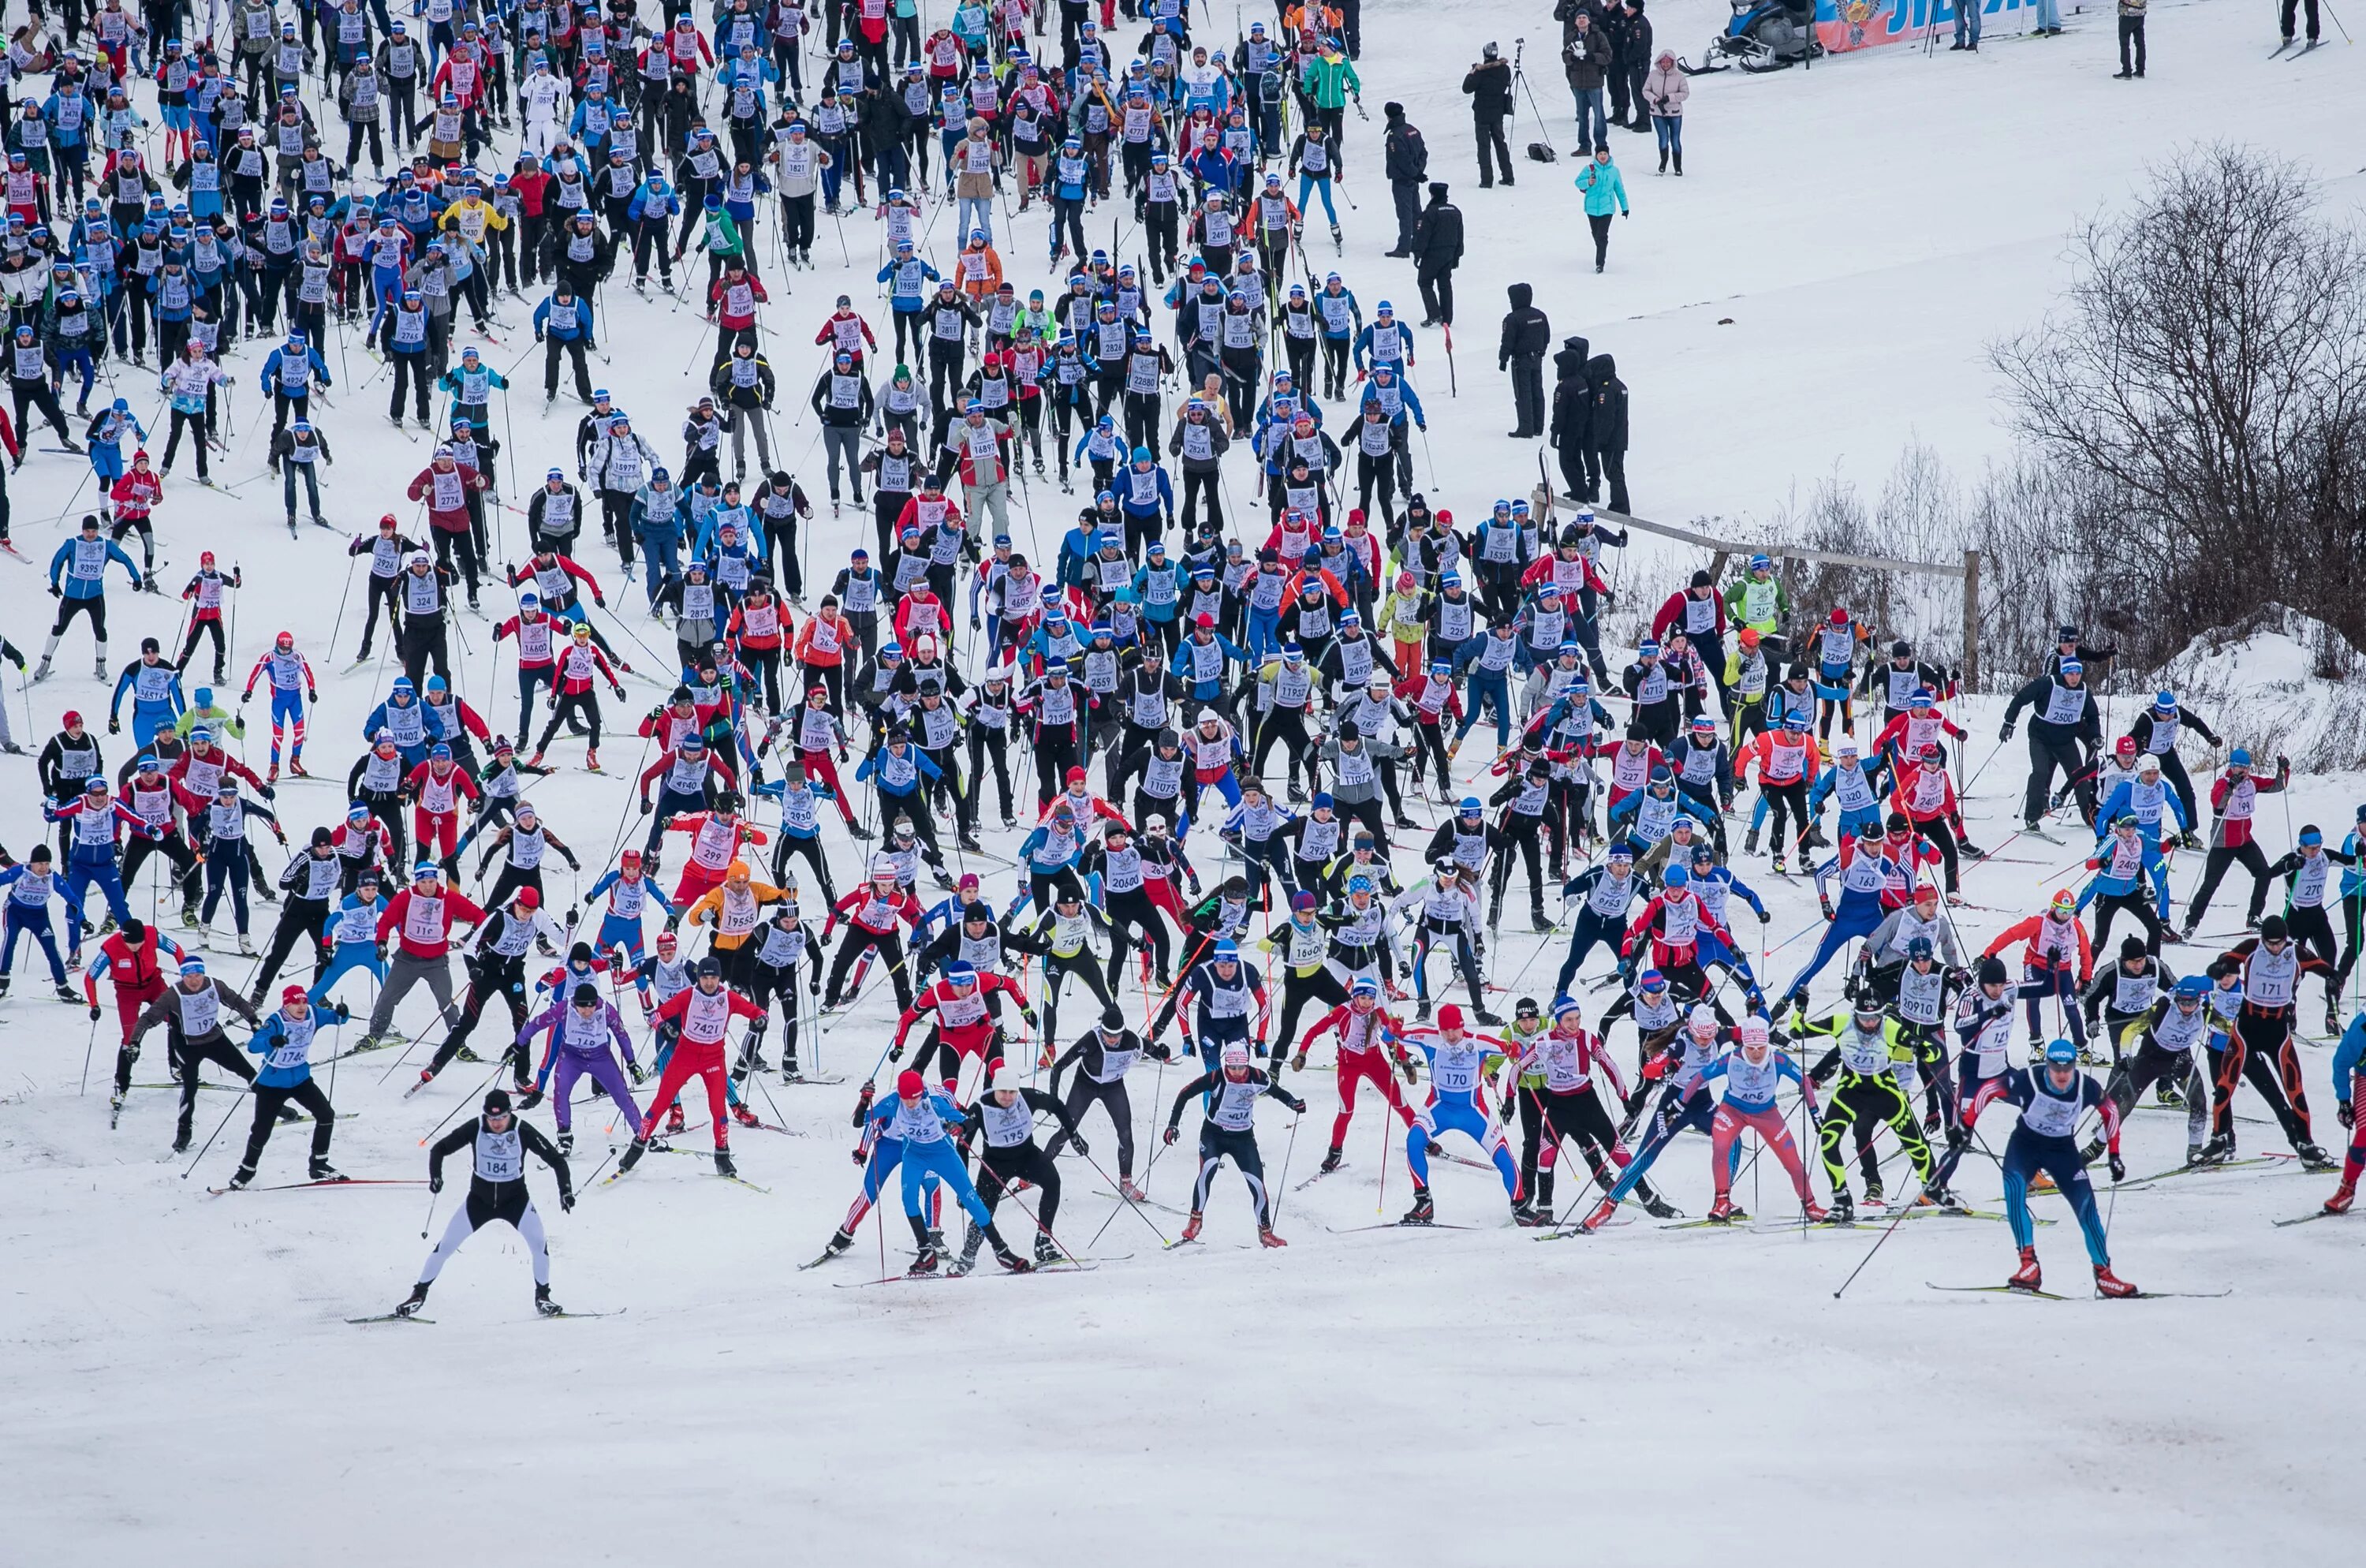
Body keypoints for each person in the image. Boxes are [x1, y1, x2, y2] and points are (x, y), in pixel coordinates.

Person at [396, 1088, 575, 1319]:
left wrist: (565, 1192)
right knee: (446, 1246)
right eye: (492, 1118)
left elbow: (557, 1160)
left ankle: (543, 1297)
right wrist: (436, 1176)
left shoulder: (523, 1130)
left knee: (539, 1244)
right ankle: (418, 1294)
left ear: (510, 1113)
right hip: (479, 1201)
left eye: (501, 1118)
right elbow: (439, 1149)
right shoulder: (475, 1127)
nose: (497, 1123)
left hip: (515, 1201)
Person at [1998, 1039, 2137, 1297]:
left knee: (2087, 1207)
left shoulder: (2085, 1087)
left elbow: (2111, 1112)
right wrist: (1964, 1126)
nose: (2062, 1074)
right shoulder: (2031, 1078)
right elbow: (1989, 1090)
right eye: (2056, 1068)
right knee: (2014, 1189)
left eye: (2067, 1068)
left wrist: (2114, 1155)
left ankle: (2105, 1275)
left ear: (2074, 1066)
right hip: (2025, 1145)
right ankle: (2029, 1266)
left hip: (2062, 1151)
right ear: (2048, 1065)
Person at [1161, 1040, 1307, 1245]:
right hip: (1214, 1134)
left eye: (1241, 1067)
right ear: (1226, 1065)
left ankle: (1265, 1231)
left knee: (1257, 1183)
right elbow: (1185, 1094)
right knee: (1208, 1170)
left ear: (1247, 1065)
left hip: (1243, 1137)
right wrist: (1173, 1125)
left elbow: (1277, 1092)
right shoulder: (1216, 1078)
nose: (1237, 1072)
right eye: (1232, 1068)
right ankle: (1195, 1221)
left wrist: (1293, 1103)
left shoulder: (1257, 1077)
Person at [954, 1060, 1086, 1269]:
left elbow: (1057, 1105)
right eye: (1003, 1092)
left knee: (1053, 1182)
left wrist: (1073, 1135)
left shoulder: (1026, 1097)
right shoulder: (980, 1107)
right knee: (983, 1210)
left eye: (1012, 1093)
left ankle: (1043, 1242)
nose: (1008, 1097)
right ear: (995, 1089)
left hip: (1027, 1155)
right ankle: (967, 1257)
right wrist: (962, 1188)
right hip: (995, 1165)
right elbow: (962, 1146)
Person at [226, 987, 354, 1189]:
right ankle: (246, 1170)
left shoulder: (313, 1013)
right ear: (286, 1005)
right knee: (261, 1129)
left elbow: (338, 1019)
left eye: (303, 1001)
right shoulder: (276, 1021)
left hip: (301, 1079)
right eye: (296, 1003)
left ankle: (319, 1163)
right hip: (272, 1084)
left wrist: (342, 1012)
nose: (301, 1006)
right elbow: (254, 1045)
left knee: (326, 1114)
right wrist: (271, 1041)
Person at [1498, 284, 1550, 440]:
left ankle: (1525, 428)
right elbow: (1546, 336)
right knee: (1537, 392)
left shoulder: (1512, 319)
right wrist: (1542, 351)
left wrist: (1503, 359)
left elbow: (1508, 341)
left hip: (1521, 361)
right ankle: (1538, 427)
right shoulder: (1540, 315)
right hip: (1537, 359)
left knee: (1523, 393)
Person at [1461, 43, 1514, 189]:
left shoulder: (1479, 73)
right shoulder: (1505, 69)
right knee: (1500, 144)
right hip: (1497, 113)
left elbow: (1466, 88)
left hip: (1482, 114)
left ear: (1485, 55)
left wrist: (1472, 72)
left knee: (1484, 147)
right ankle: (1508, 176)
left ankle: (1486, 180)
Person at [1411, 182, 1463, 329]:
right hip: (1449, 255)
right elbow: (1460, 236)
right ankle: (1447, 318)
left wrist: (1417, 253)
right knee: (1445, 285)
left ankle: (1434, 314)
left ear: (1433, 195)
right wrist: (1457, 256)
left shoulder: (1430, 212)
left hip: (1432, 254)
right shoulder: (1455, 211)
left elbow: (1423, 236)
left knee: (1425, 282)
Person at [1379, 101, 1427, 259]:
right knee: (1416, 212)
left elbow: (1402, 160)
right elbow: (1423, 153)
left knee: (1405, 214)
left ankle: (1404, 247)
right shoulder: (1413, 130)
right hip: (1413, 179)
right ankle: (1419, 242)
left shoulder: (1395, 136)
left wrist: (1415, 173)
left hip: (1402, 180)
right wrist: (1419, 172)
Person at [1562, 15, 1610, 155]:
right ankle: (1584, 145)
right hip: (1578, 82)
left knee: (1599, 114)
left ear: (1589, 21)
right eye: (1579, 18)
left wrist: (1591, 56)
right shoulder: (1570, 37)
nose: (1582, 20)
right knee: (1582, 116)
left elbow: (1607, 56)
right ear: (1575, 22)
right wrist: (1572, 57)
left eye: (1584, 17)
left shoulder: (1598, 36)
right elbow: (1565, 56)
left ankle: (1601, 146)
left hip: (1595, 82)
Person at [1574, 147, 1628, 274]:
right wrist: (1588, 182)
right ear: (1596, 156)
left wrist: (1625, 208)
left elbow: (1620, 190)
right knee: (1596, 235)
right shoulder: (1589, 169)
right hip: (1591, 208)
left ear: (1609, 155)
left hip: (1607, 208)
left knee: (1601, 236)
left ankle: (1600, 263)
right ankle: (1601, 249)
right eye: (1600, 154)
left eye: (1605, 154)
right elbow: (1577, 182)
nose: (1603, 156)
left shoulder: (1614, 171)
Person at [1642, 49, 1686, 174]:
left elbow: (1685, 93)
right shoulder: (1653, 75)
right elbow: (1645, 91)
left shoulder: (1679, 76)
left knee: (1675, 140)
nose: (1665, 64)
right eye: (1663, 62)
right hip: (1657, 112)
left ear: (1672, 63)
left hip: (1675, 112)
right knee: (1663, 138)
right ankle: (1663, 161)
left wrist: (1670, 98)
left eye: (1668, 62)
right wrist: (1655, 100)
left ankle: (1678, 167)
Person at [2114, 0, 2146, 75]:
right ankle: (2140, 69)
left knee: (2124, 43)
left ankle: (2126, 70)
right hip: (2141, 11)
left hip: (2127, 12)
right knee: (2140, 43)